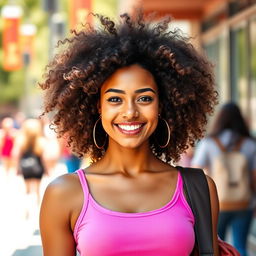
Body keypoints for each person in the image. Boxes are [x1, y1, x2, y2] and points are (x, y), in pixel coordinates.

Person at [39, 13, 219, 255]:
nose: (130, 112)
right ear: (98, 107)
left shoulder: (197, 188)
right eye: (115, 99)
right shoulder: (63, 193)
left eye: (145, 98)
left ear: (162, 105)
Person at [192, 102, 256, 256]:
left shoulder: (208, 143)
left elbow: (195, 171)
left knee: (215, 246)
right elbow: (254, 177)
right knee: (240, 244)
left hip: (217, 203)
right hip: (244, 202)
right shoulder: (250, 144)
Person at [13, 118, 46, 218]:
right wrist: (47, 169)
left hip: (25, 167)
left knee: (27, 190)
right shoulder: (40, 141)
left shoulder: (21, 140)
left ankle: (27, 211)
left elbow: (16, 155)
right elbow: (44, 157)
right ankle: (38, 211)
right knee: (37, 190)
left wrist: (17, 168)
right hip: (38, 167)